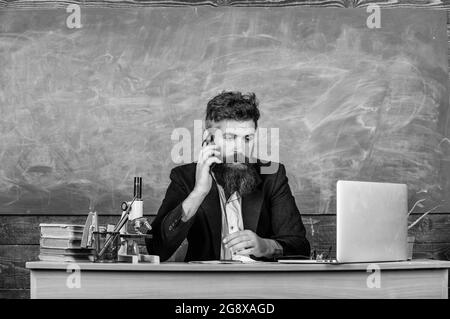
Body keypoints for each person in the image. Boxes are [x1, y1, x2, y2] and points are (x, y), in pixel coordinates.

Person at [146, 91, 310, 262]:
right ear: (209, 139)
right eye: (230, 137)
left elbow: (300, 247)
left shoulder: (273, 175)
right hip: (204, 284)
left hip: (260, 283)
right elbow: (157, 249)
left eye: (247, 138)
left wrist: (266, 246)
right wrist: (198, 192)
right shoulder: (184, 177)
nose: (240, 149)